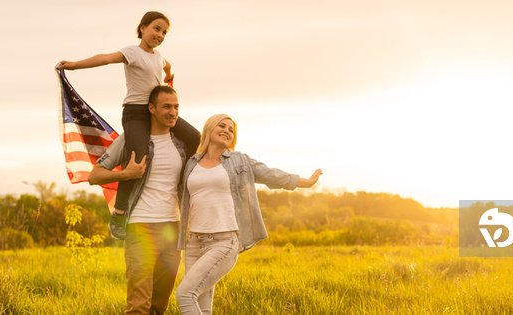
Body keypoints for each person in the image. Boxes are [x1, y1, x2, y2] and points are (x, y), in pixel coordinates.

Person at [58, 11, 200, 240]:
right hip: (135, 113)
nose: (160, 34)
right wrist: (74, 65)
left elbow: (167, 66)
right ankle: (120, 212)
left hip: (158, 111)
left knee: (195, 136)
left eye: (164, 32)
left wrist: (169, 78)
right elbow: (104, 58)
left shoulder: (159, 56)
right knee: (137, 158)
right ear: (142, 28)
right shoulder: (132, 52)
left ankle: (186, 178)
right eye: (156, 28)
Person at [175, 114, 323, 314]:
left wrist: (305, 182)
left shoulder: (239, 161)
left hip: (224, 241)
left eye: (231, 130)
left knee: (185, 294)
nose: (227, 131)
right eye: (222, 126)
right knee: (202, 306)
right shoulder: (192, 163)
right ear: (209, 128)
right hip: (194, 242)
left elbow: (271, 174)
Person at [88, 85, 188, 314]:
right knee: (139, 304)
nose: (173, 112)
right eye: (166, 107)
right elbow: (94, 176)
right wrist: (126, 174)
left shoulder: (181, 142)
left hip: (173, 229)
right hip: (141, 227)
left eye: (176, 107)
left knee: (159, 304)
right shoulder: (132, 139)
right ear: (151, 108)